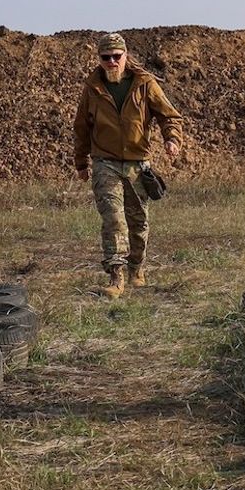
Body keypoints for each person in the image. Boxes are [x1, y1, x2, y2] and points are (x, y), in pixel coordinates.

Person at [73, 32, 184, 298]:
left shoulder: (144, 83)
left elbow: (169, 115)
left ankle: (136, 267)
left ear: (125, 56)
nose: (111, 62)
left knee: (138, 222)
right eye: (105, 57)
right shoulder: (93, 87)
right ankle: (116, 277)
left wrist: (172, 139)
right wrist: (81, 162)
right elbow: (81, 127)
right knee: (113, 220)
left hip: (137, 165)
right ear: (99, 59)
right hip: (105, 163)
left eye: (116, 56)